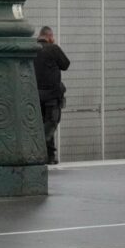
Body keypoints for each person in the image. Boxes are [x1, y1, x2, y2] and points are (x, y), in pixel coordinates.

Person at [34, 26, 71, 165]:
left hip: (35, 96)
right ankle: (40, 151)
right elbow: (65, 64)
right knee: (51, 123)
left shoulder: (32, 48)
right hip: (52, 96)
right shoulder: (53, 48)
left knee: (41, 124)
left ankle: (49, 156)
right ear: (49, 36)